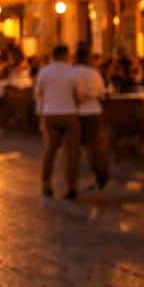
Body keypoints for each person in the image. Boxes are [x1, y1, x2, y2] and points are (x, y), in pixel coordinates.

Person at [34, 44, 80, 200]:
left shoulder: (44, 71)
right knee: (71, 152)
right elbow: (78, 93)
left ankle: (46, 184)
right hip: (69, 113)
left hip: (50, 113)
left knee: (50, 150)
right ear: (66, 55)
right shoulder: (73, 71)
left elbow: (38, 92)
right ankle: (71, 186)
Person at [73, 43, 110, 190]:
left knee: (75, 148)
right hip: (94, 113)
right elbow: (102, 94)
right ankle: (101, 175)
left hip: (75, 114)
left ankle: (73, 181)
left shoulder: (71, 73)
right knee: (95, 146)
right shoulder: (94, 73)